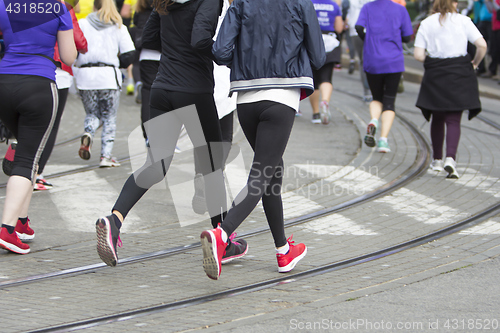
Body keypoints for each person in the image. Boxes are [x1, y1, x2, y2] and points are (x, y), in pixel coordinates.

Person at [94, 0, 236, 268]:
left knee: (156, 163)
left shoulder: (164, 1)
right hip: (194, 90)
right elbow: (200, 40)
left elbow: (148, 38)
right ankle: (222, 241)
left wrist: (174, 48)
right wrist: (224, 55)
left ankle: (114, 220)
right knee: (212, 165)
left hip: (162, 88)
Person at [204, 0, 325, 280]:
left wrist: (247, 57)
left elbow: (220, 51)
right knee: (261, 175)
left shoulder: (241, 3)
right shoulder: (300, 3)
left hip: (245, 98)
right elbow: (319, 58)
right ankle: (221, 234)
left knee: (272, 172)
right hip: (281, 98)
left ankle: (283, 250)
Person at [0, 0, 77, 254]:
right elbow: (68, 56)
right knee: (28, 159)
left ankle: (21, 222)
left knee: (25, 149)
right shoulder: (58, 8)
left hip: (4, 83)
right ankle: (7, 229)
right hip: (39, 85)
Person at [414, 0, 487, 178]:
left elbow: (417, 55)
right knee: (454, 119)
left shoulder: (426, 23)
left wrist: (435, 63)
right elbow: (482, 45)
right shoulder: (463, 21)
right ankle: (450, 159)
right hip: (459, 72)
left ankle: (437, 160)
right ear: (455, 3)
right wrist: (475, 63)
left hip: (436, 73)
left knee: (437, 117)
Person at [74, 0, 135, 168]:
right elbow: (130, 54)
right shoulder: (118, 26)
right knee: (109, 117)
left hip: (86, 76)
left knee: (92, 113)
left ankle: (88, 132)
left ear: (94, 6)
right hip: (108, 76)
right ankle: (106, 156)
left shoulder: (83, 24)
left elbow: (75, 48)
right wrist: (117, 63)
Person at [35, 2, 88, 191]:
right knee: (51, 125)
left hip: (30, 70)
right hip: (58, 72)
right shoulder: (64, 8)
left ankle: (21, 161)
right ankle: (37, 174)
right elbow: (80, 42)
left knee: (30, 120)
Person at [355, 0, 413, 153]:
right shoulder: (400, 10)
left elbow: (358, 27)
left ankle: (374, 120)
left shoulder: (367, 7)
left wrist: (368, 39)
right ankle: (383, 141)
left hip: (372, 59)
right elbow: (407, 37)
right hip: (393, 61)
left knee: (376, 98)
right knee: (389, 101)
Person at [309, 0, 344, 125]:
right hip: (330, 43)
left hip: (313, 41)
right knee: (326, 77)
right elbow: (339, 28)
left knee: (314, 80)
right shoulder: (334, 5)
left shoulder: (310, 3)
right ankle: (325, 101)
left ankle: (316, 113)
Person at [346, 0, 373, 102]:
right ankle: (372, 90)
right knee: (370, 59)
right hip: (370, 29)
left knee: (363, 61)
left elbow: (349, 10)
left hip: (355, 29)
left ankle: (367, 92)